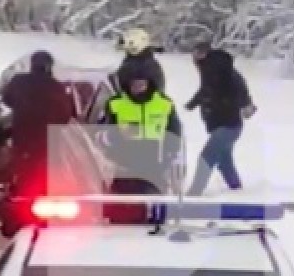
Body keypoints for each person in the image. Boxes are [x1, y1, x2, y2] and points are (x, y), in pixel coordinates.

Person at [99, 59, 183, 195]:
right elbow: (104, 130)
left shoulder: (164, 103)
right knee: (122, 206)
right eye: (134, 84)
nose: (138, 87)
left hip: (155, 163)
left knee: (153, 206)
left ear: (148, 84)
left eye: (141, 84)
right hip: (123, 163)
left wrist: (171, 151)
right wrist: (112, 140)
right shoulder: (115, 103)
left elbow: (174, 129)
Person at [1, 50, 76, 197]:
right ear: (49, 66)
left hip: (22, 135)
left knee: (22, 168)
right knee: (46, 172)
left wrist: (21, 109)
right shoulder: (56, 87)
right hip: (48, 139)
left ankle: (21, 197)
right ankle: (43, 198)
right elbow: (66, 115)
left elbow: (7, 99)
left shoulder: (19, 81)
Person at [185, 47, 257, 195]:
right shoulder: (212, 70)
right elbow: (207, 90)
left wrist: (246, 104)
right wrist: (193, 103)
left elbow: (238, 87)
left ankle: (194, 193)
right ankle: (237, 190)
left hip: (227, 126)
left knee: (207, 156)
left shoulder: (219, 70)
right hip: (224, 124)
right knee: (224, 162)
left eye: (197, 55)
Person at [109, 27, 167, 94]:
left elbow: (118, 84)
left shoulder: (138, 65)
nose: (126, 52)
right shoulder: (149, 62)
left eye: (128, 49)